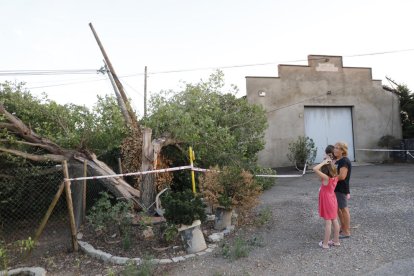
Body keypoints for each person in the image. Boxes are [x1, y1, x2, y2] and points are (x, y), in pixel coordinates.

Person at [313, 158, 340, 249]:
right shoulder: (335, 177)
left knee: (328, 222)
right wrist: (329, 163)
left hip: (327, 201)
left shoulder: (326, 178)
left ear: (324, 170)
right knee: (334, 220)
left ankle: (325, 244)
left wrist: (323, 162)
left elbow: (315, 169)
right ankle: (336, 241)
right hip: (332, 199)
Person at [333, 142, 352, 239]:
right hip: (335, 188)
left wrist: (330, 178)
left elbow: (342, 176)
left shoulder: (344, 161)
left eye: (337, 148)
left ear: (342, 150)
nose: (335, 150)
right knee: (337, 209)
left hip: (341, 188)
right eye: (334, 148)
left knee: (344, 209)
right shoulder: (337, 160)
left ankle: (346, 231)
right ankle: (343, 227)